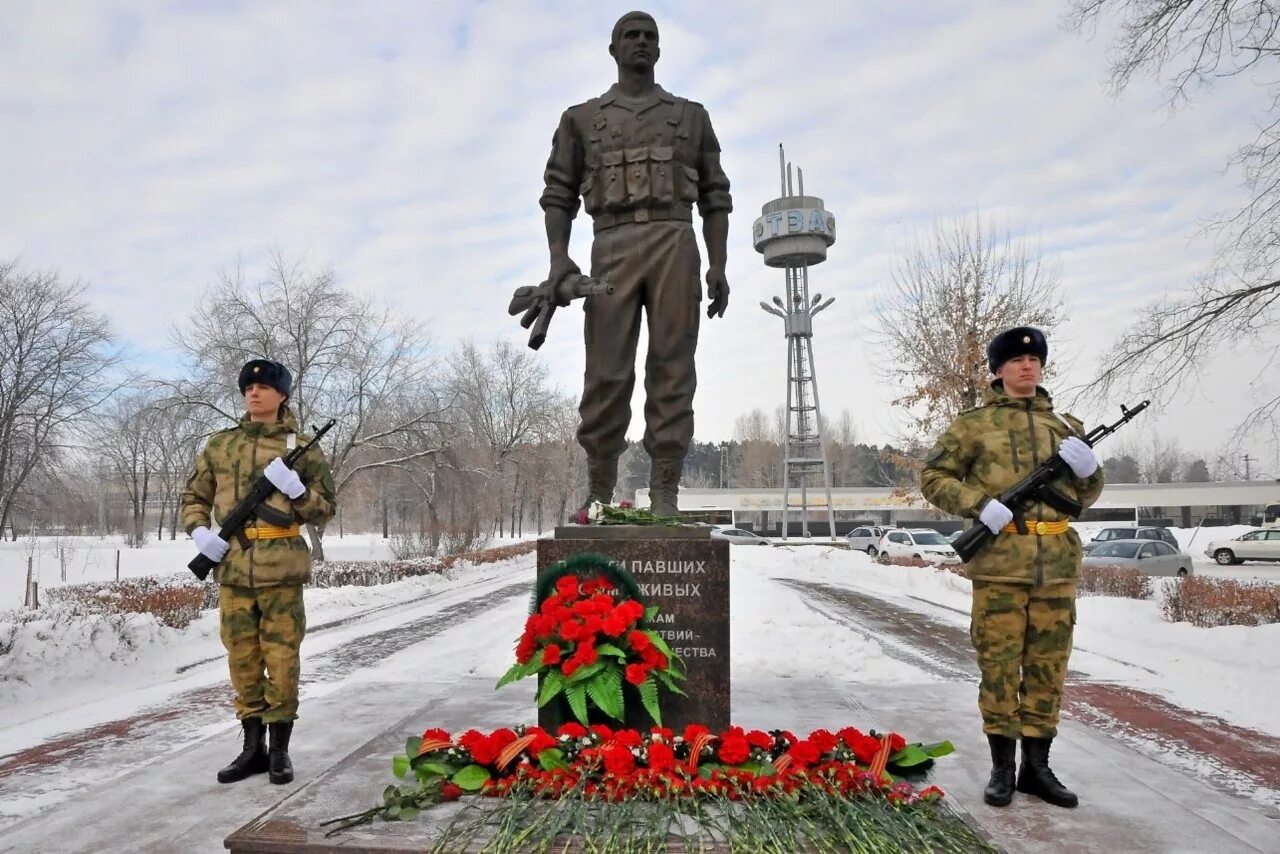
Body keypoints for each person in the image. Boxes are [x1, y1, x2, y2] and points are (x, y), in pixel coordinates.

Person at [539, 10, 732, 515]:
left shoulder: (692, 117)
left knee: (673, 366)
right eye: (631, 35)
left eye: (650, 36)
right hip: (611, 244)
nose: (641, 42)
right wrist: (559, 260)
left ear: (660, 50)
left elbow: (715, 196)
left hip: (675, 240)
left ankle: (665, 490)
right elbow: (557, 193)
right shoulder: (581, 119)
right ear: (614, 49)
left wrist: (718, 264)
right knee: (605, 371)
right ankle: (599, 490)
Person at [920, 327, 1104, 809]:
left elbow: (1084, 498)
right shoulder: (972, 426)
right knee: (1000, 668)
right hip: (1001, 566)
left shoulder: (1065, 426)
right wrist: (979, 504)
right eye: (1018, 360)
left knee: (1048, 669)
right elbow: (933, 477)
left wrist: (1090, 471)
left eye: (1035, 360)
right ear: (998, 370)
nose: (1028, 366)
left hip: (1057, 567)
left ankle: (1036, 769)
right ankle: (1002, 769)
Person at [181, 359, 336, 785]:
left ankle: (280, 751)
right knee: (242, 659)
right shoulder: (220, 446)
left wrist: (297, 491)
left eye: (265, 386)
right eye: (249, 387)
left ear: (281, 395)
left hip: (281, 569)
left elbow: (325, 511)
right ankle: (252, 748)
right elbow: (194, 495)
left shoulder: (301, 446)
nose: (255, 392)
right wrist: (199, 533)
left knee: (282, 660)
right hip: (232, 569)